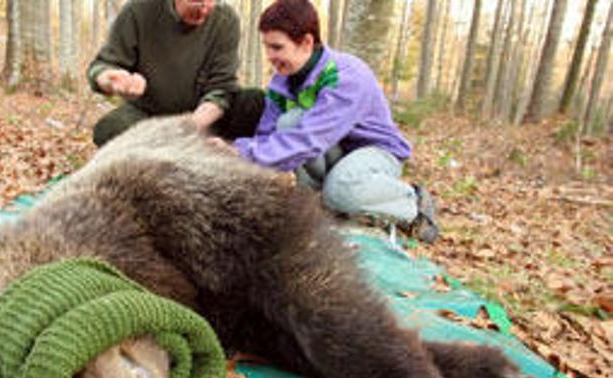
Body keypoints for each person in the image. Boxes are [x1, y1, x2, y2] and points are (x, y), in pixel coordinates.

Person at [231, 0, 439, 243]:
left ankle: (412, 202)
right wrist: (238, 154)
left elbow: (308, 139)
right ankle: (328, 203)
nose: (270, 56)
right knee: (289, 123)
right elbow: (267, 135)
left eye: (277, 47)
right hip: (333, 150)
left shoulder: (345, 76)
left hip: (376, 151)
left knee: (341, 191)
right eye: (266, 47)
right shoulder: (282, 81)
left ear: (306, 42)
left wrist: (241, 153)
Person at [87, 0, 264, 147]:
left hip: (204, 118)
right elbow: (102, 66)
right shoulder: (138, 11)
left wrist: (190, 126)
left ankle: (220, 156)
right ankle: (168, 156)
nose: (204, 9)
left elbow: (223, 87)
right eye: (196, 2)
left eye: (211, 1)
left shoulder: (225, 19)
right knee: (110, 128)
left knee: (254, 102)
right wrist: (111, 80)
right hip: (149, 117)